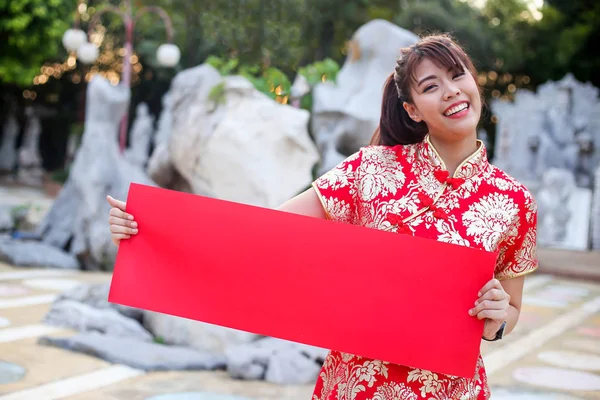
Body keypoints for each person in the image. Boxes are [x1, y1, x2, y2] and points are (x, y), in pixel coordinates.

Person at [107, 33, 537, 399]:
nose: (451, 92)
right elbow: (259, 235)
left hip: (451, 390)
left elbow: (510, 311)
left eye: (458, 75)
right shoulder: (371, 169)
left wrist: (497, 319)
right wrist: (149, 229)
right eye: (430, 86)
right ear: (412, 109)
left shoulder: (515, 201)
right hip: (356, 385)